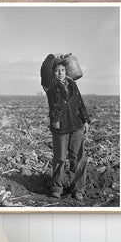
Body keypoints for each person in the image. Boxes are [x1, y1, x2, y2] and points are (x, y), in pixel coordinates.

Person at [45, 60, 91, 200]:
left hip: (76, 125)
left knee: (78, 158)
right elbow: (53, 106)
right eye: (57, 70)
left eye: (62, 70)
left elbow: (80, 103)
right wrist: (55, 121)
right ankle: (57, 187)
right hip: (60, 126)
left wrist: (85, 120)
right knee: (60, 158)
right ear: (53, 73)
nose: (60, 73)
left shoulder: (73, 85)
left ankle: (78, 189)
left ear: (67, 72)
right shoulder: (50, 87)